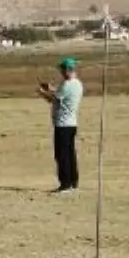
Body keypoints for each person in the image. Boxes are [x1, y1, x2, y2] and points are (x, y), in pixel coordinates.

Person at [37, 58, 83, 192]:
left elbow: (53, 99)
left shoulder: (67, 85)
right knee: (70, 154)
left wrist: (42, 93)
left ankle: (65, 184)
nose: (61, 73)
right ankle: (73, 182)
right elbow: (59, 94)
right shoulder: (77, 84)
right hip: (72, 124)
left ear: (68, 70)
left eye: (63, 70)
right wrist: (51, 89)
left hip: (63, 125)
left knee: (62, 155)